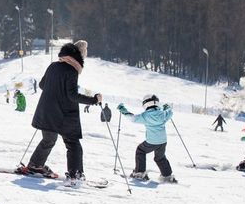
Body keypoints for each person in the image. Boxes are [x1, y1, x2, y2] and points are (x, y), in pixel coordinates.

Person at [19, 40, 102, 187]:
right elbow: (72, 95)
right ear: (79, 57)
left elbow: (42, 85)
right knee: (72, 143)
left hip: (47, 110)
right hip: (64, 114)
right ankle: (75, 175)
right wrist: (93, 100)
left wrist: (56, 88)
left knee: (48, 139)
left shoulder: (54, 66)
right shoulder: (72, 70)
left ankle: (35, 165)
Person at [119, 95, 177, 183]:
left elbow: (133, 118)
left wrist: (124, 111)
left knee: (140, 151)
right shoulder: (163, 114)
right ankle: (167, 176)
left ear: (145, 104)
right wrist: (167, 108)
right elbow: (170, 112)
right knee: (160, 158)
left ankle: (139, 172)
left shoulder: (145, 116)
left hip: (151, 141)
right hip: (163, 142)